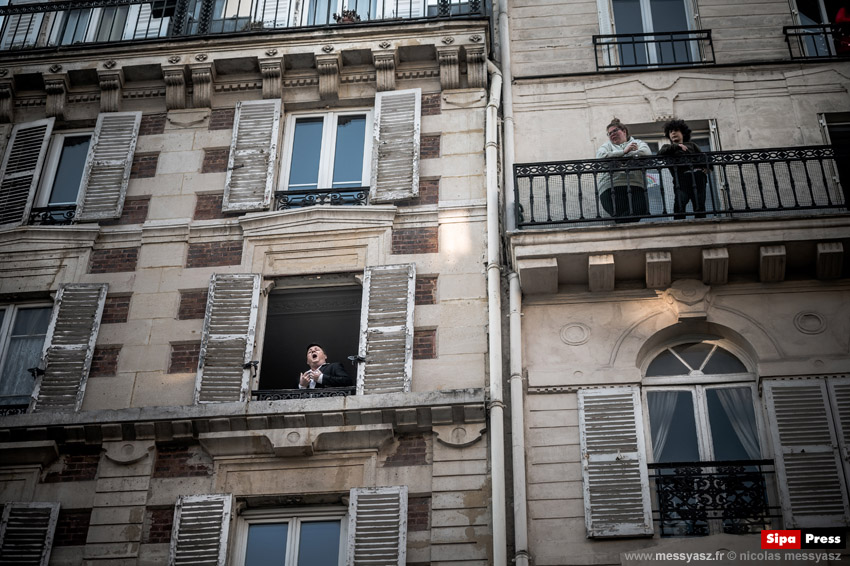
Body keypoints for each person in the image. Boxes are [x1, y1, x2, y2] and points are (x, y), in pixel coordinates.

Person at [596, 118, 652, 223]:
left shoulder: (637, 142)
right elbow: (600, 157)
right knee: (620, 215)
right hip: (611, 187)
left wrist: (621, 155)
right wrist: (624, 151)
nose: (612, 134)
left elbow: (646, 153)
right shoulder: (607, 146)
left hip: (636, 185)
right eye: (609, 133)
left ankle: (623, 236)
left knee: (639, 209)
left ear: (624, 131)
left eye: (615, 131)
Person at [657, 119, 708, 219]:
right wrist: (677, 146)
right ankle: (679, 225)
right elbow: (660, 154)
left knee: (699, 204)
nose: (673, 133)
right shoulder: (668, 147)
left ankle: (701, 224)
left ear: (683, 133)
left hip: (697, 177)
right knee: (680, 204)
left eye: (676, 130)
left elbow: (703, 158)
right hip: (681, 178)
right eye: (670, 131)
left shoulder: (692, 145)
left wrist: (706, 168)